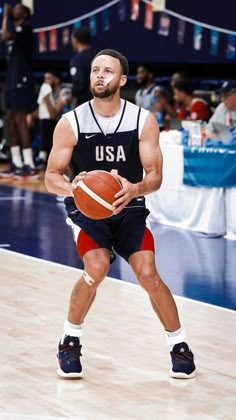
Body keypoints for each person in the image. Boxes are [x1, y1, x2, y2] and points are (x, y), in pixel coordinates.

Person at [45, 49, 196, 380]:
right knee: (96, 268)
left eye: (107, 71)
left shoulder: (143, 120)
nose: (99, 75)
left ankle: (179, 345)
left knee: (148, 273)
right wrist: (75, 187)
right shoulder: (71, 122)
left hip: (130, 208)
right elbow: (51, 177)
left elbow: (155, 175)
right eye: (95, 70)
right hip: (88, 212)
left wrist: (136, 188)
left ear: (122, 79)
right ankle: (69, 340)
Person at [0, 3, 37, 179]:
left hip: (22, 82)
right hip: (11, 83)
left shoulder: (27, 30)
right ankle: (16, 163)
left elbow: (5, 35)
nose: (14, 10)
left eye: (17, 9)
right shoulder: (18, 31)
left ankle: (29, 163)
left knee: (21, 121)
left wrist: (5, 15)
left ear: (24, 14)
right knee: (10, 122)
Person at [27, 70, 72, 169]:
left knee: (45, 122)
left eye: (48, 79)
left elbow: (53, 114)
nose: (45, 82)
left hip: (66, 124)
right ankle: (32, 157)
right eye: (44, 79)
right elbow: (39, 112)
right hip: (52, 124)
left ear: (56, 80)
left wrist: (46, 98)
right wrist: (30, 115)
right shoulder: (48, 91)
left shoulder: (65, 91)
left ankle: (42, 157)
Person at [70, 26, 96, 107]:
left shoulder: (77, 60)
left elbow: (79, 86)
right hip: (101, 103)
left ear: (75, 40)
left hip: (85, 105)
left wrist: (71, 96)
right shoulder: (99, 56)